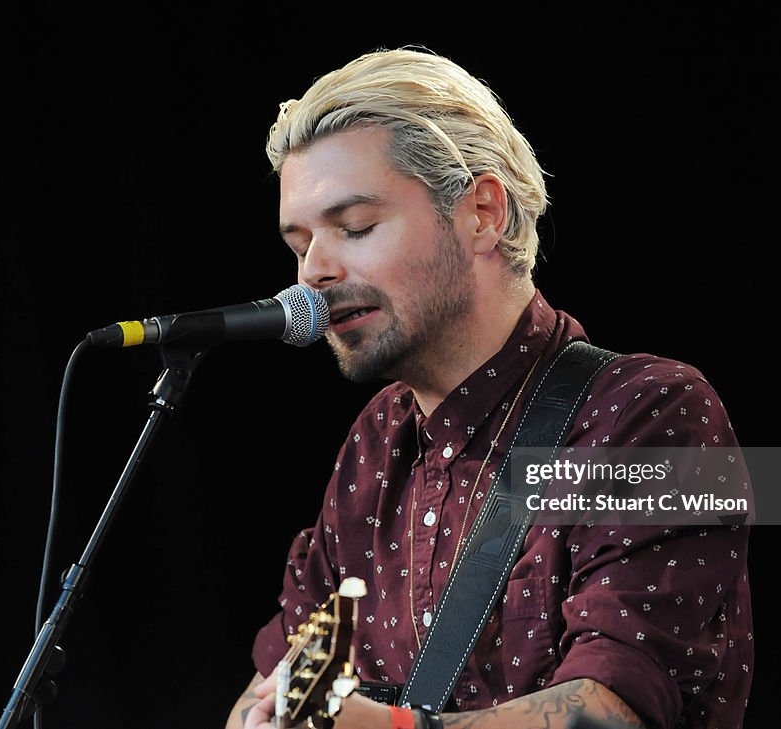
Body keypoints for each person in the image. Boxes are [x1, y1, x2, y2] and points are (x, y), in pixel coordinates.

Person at [225, 47, 753, 729]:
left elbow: (612, 712)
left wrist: (379, 726)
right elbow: (283, 671)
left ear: (481, 212)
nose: (314, 272)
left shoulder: (648, 413)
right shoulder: (374, 444)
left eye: (354, 227)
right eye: (299, 244)